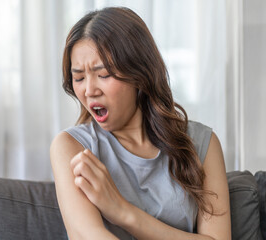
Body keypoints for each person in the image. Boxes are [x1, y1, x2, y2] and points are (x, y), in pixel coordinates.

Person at [50, 7, 231, 240]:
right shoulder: (72, 147)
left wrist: (122, 211)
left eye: (103, 74)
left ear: (140, 73)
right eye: (79, 78)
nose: (89, 90)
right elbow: (87, 235)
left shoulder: (201, 144)